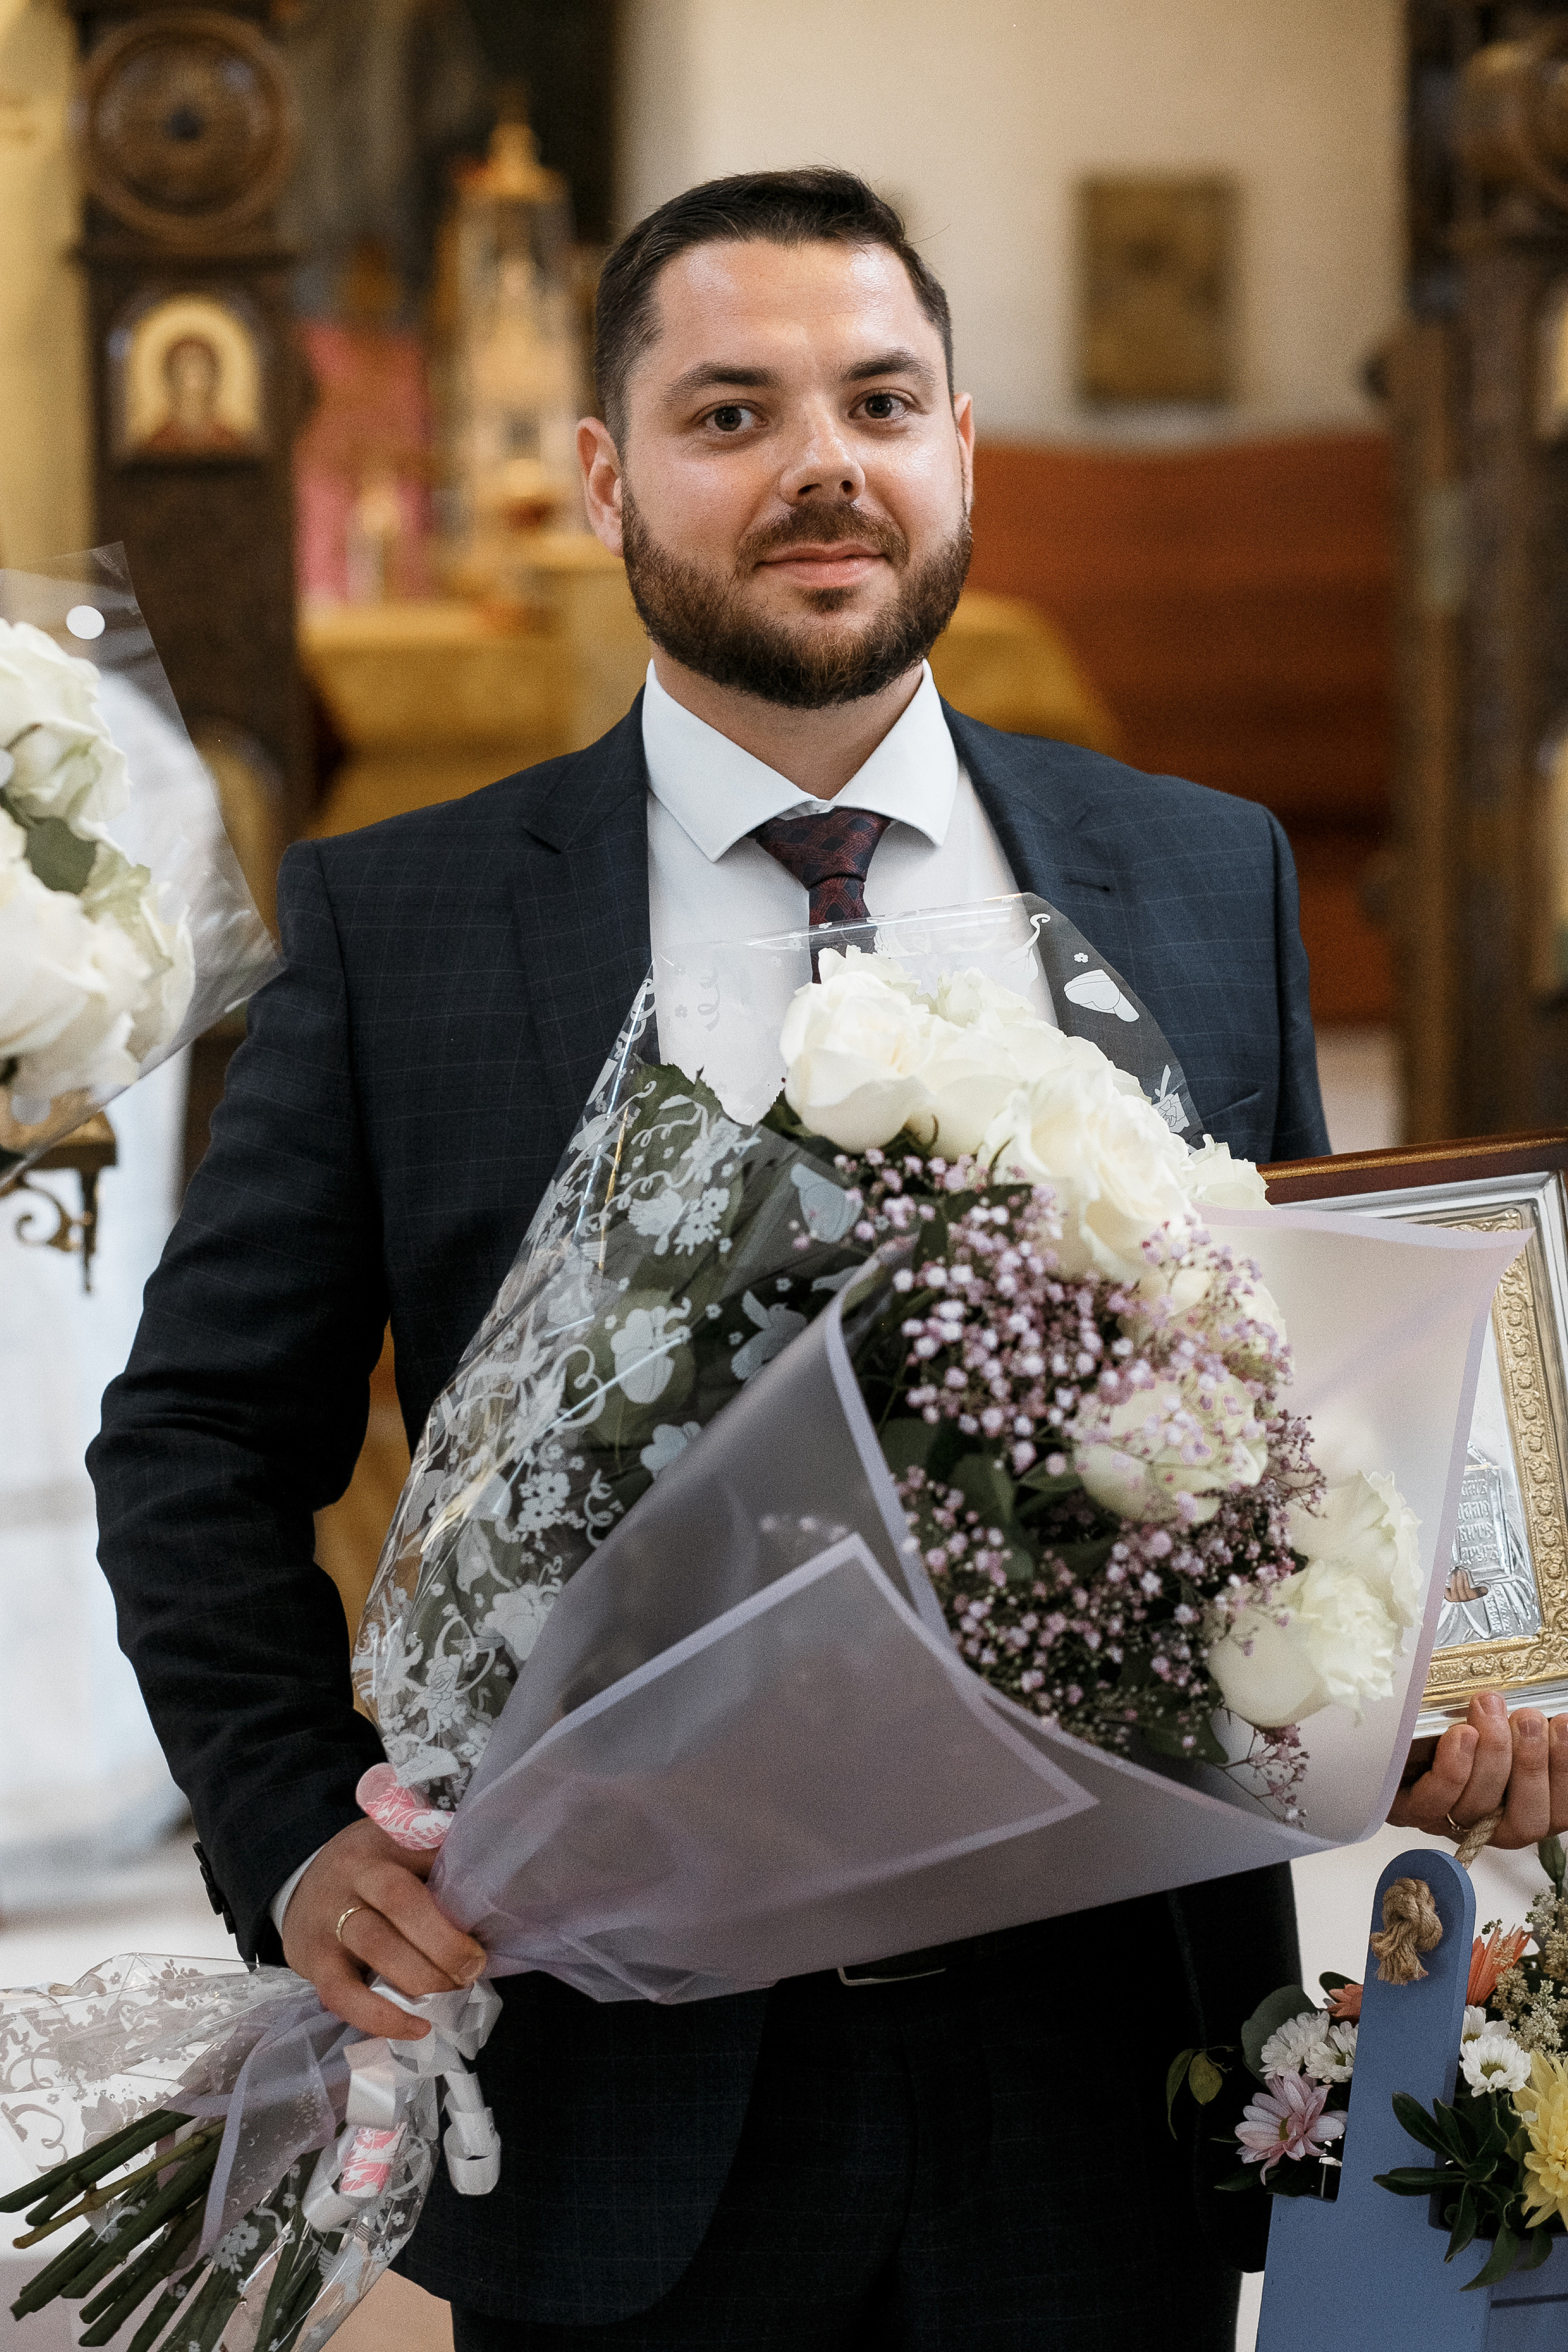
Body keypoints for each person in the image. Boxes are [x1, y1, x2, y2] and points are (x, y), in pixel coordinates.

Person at [90, 168, 1568, 2351]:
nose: (822, 466)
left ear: (959, 446)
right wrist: (301, 1832)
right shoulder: (408, 926)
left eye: (879, 403)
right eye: (732, 413)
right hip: (626, 2090)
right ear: (606, 476)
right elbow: (200, 1440)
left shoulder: (1193, 873)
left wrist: (1456, 1702)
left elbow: (1326, 1411)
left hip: (1103, 2079)